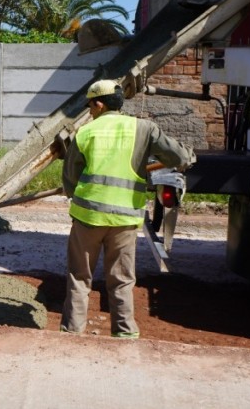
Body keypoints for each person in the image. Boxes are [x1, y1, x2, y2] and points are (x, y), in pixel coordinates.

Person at [60, 79, 195, 339]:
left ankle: (72, 335)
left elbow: (70, 180)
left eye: (91, 106)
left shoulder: (86, 133)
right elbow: (178, 158)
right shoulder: (143, 128)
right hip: (124, 220)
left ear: (99, 104)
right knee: (121, 280)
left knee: (79, 278)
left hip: (88, 218)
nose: (90, 111)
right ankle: (124, 335)